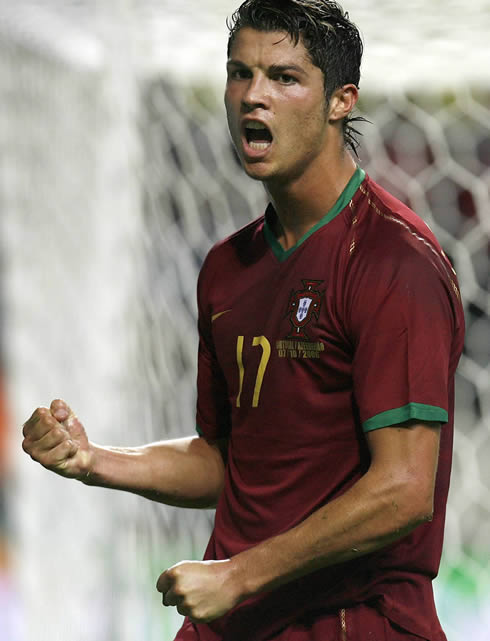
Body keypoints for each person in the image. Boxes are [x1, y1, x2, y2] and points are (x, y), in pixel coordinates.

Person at [22, 1, 465, 640]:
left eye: (284, 78)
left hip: (348, 622)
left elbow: (403, 489)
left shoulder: (393, 262)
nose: (253, 96)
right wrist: (94, 459)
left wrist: (238, 575)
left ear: (342, 101)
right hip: (237, 619)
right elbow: (227, 462)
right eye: (240, 73)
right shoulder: (227, 269)